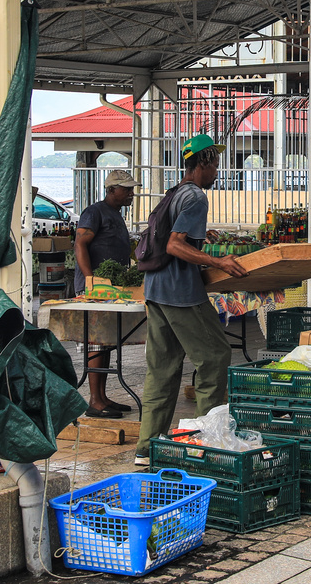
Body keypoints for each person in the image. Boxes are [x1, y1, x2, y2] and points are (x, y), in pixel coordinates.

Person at [134, 135, 248, 464]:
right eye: (214, 165)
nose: (216, 172)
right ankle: (208, 445)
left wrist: (202, 239)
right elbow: (173, 245)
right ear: (201, 164)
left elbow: (176, 237)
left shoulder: (175, 192)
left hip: (154, 290)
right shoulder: (196, 196)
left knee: (162, 369)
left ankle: (146, 449)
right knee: (213, 357)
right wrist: (219, 261)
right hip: (180, 292)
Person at [73, 169, 138, 418]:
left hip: (111, 288)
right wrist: (91, 279)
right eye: (126, 189)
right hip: (95, 288)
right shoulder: (94, 212)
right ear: (111, 190)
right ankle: (94, 401)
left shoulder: (116, 214)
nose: (131, 193)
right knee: (96, 341)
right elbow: (80, 244)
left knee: (106, 341)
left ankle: (101, 397)